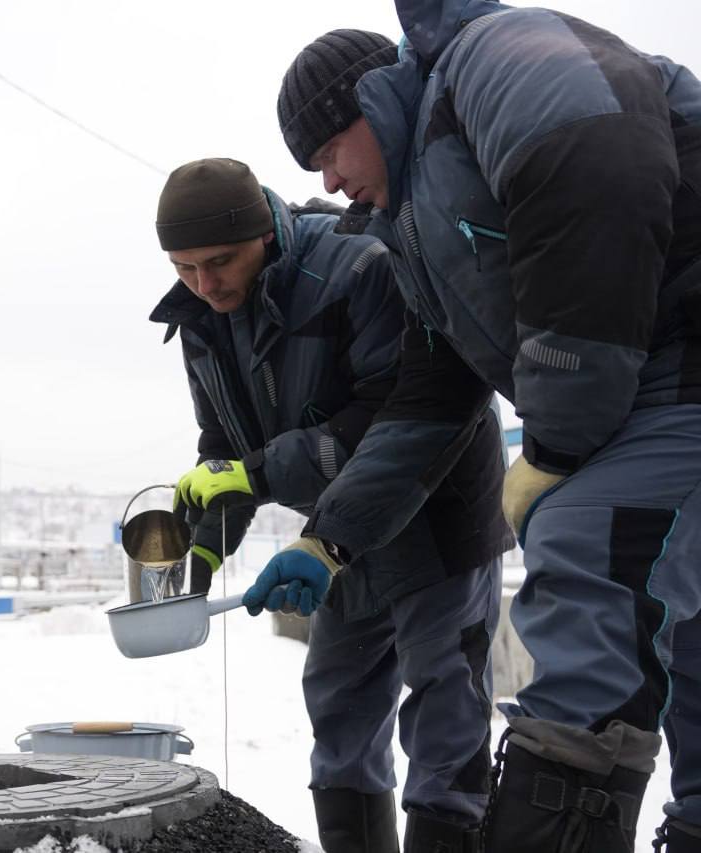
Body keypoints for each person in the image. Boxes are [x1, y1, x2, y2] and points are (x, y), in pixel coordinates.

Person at [270, 12, 701, 852]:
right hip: (639, 385)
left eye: (326, 154)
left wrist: (558, 444)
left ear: (366, 101)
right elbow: (429, 399)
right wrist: (331, 538)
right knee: (685, 634)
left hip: (676, 358)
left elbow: (598, 162)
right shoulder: (418, 231)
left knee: (592, 560)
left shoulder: (491, 58)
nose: (325, 184)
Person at [153, 157, 511, 852]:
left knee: (445, 710)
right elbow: (226, 443)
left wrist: (256, 473)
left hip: (432, 507)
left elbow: (392, 417)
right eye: (184, 267)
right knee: (339, 703)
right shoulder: (202, 314)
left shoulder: (358, 266)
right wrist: (201, 550)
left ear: (264, 231)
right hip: (335, 534)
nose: (204, 283)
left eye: (220, 261)